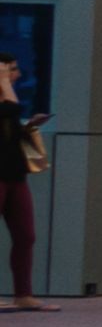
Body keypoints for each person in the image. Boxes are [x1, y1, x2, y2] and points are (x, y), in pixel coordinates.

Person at [0, 52, 37, 305]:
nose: (17, 75)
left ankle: (23, 294)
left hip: (15, 175)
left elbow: (12, 118)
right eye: (12, 70)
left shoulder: (8, 100)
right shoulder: (8, 100)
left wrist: (30, 127)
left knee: (26, 235)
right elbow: (12, 109)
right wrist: (3, 82)